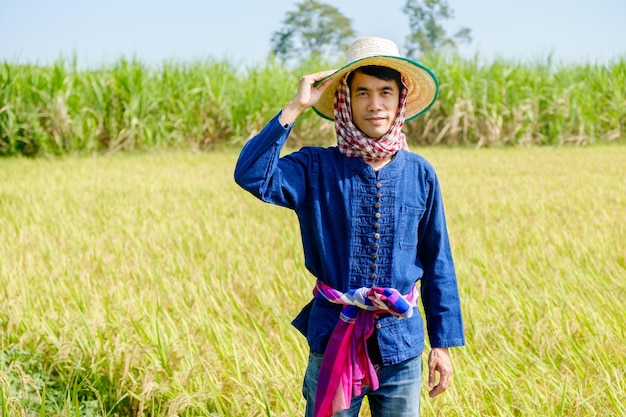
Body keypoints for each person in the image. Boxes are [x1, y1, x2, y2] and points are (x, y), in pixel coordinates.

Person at [234, 37, 465, 417]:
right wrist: (296, 107)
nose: (375, 104)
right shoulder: (315, 168)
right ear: (347, 101)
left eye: (385, 92)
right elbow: (252, 175)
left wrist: (442, 344)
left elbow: (438, 260)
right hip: (334, 340)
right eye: (363, 93)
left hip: (401, 348)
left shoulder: (420, 173)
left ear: (399, 100)